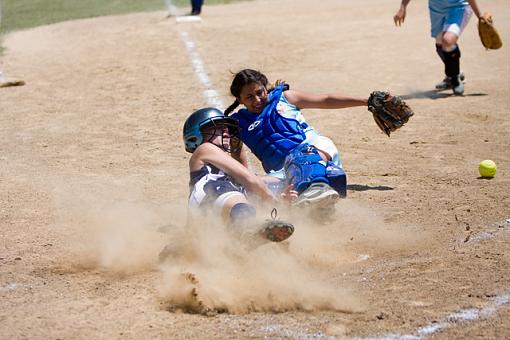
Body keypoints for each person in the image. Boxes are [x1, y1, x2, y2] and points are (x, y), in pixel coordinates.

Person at [224, 69, 370, 208]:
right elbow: (238, 158)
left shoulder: (284, 98)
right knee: (250, 188)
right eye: (249, 97)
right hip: (282, 172)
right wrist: (248, 181)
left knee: (299, 158)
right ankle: (305, 200)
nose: (257, 100)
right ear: (240, 99)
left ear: (265, 88)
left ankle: (317, 188)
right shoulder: (237, 124)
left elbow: (325, 100)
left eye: (259, 92)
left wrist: (366, 101)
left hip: (313, 150)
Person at [183, 107, 295, 244]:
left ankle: (239, 247)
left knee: (249, 197)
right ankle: (246, 232)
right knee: (241, 199)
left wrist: (282, 197)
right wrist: (273, 201)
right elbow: (249, 179)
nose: (225, 131)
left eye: (226, 128)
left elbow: (246, 179)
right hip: (209, 196)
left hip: (209, 219)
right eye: (217, 127)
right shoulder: (204, 149)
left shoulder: (223, 171)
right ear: (197, 135)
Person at [393, 0, 485, 95]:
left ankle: (454, 78)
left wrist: (480, 16)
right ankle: (454, 74)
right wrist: (402, 7)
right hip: (436, 9)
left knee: (447, 41)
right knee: (440, 43)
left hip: (458, 8)